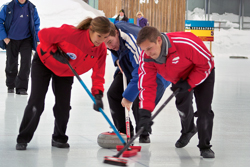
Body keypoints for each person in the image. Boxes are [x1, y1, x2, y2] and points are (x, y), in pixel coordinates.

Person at [15, 16, 111, 150]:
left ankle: (59, 137)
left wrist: (98, 94)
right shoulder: (71, 33)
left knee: (63, 107)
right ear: (91, 30)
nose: (101, 41)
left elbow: (98, 74)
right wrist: (54, 52)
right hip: (44, 62)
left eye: (105, 37)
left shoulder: (100, 50)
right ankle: (23, 138)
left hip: (66, 72)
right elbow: (42, 34)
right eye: (99, 36)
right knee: (36, 102)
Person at [136, 26, 215, 158]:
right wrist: (145, 112)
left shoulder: (184, 44)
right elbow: (147, 85)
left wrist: (190, 83)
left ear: (159, 40)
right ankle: (188, 130)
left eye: (149, 48)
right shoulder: (147, 57)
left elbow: (207, 63)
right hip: (179, 78)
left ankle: (204, 146)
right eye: (144, 50)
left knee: (203, 111)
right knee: (183, 107)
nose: (147, 53)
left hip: (202, 72)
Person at [104, 22, 171, 143]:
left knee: (138, 101)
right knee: (113, 93)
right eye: (105, 44)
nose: (108, 46)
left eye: (109, 42)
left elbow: (141, 73)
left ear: (116, 33)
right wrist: (117, 60)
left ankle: (143, 133)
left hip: (155, 74)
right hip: (131, 67)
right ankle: (124, 132)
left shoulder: (131, 41)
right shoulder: (114, 33)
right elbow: (116, 49)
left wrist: (128, 97)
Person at [0, 0, 40, 95]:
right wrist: (4, 37)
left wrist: (37, 39)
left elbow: (36, 25)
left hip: (26, 40)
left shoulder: (32, 8)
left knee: (26, 63)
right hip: (11, 40)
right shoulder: (7, 6)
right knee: (11, 62)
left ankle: (22, 88)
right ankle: (11, 85)